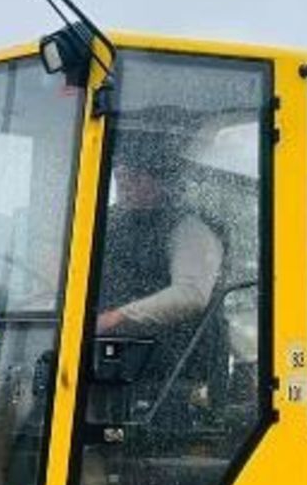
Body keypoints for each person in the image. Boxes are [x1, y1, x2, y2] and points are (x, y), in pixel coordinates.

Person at [95, 127, 224, 341]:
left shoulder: (190, 229)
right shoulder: (108, 223)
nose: (124, 186)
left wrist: (116, 317)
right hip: (115, 350)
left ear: (162, 182)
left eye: (135, 178)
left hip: (178, 359)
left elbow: (190, 295)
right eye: (120, 178)